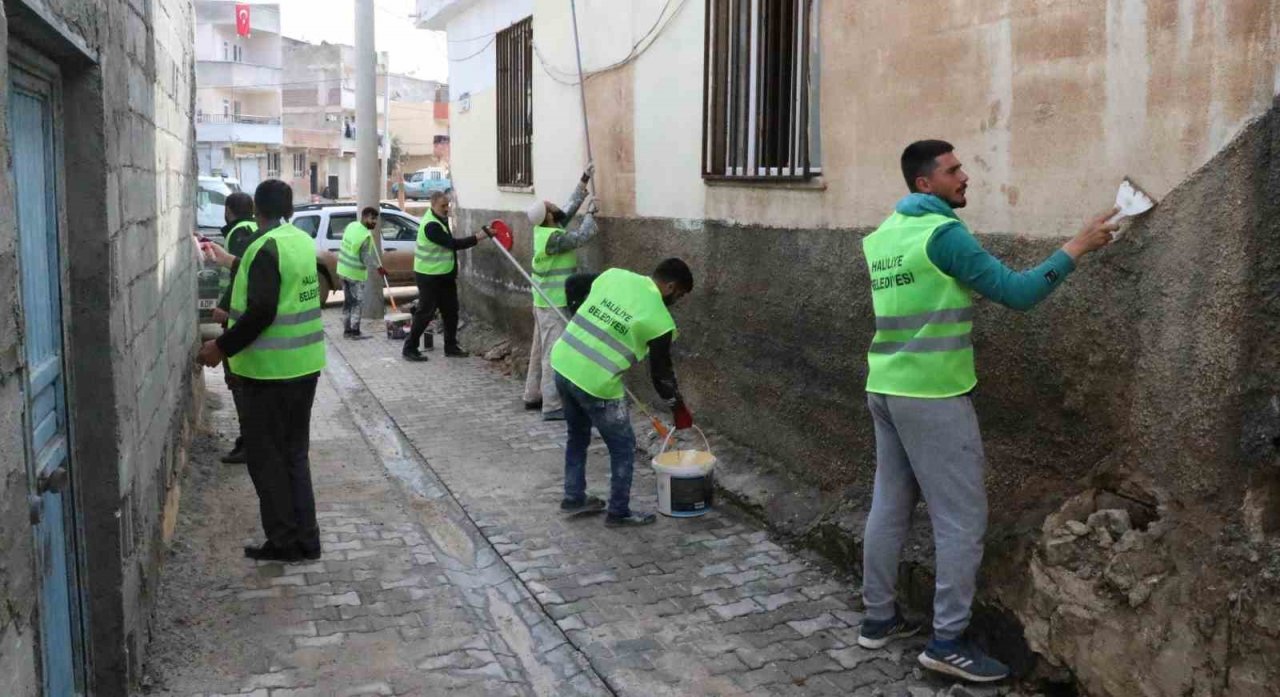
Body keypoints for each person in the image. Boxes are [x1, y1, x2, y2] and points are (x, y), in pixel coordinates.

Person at [856, 140, 1118, 682]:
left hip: (885, 386)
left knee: (890, 504)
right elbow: (1018, 293)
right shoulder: (943, 234)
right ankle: (947, 642)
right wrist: (1078, 245)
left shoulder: (885, 235)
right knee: (962, 520)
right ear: (925, 184)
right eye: (953, 170)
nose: (964, 176)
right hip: (933, 395)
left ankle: (878, 619)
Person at [197, 179, 326, 563]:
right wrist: (230, 261)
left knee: (267, 459)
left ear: (256, 209)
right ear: (288, 208)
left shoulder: (262, 248)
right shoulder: (298, 241)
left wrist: (220, 347)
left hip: (269, 374)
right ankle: (307, 540)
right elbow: (277, 283)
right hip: (305, 367)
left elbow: (262, 310)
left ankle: (284, 542)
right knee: (294, 456)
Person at [550, 260, 696, 528]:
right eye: (679, 295)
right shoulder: (661, 322)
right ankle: (618, 512)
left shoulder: (615, 276)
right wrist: (678, 407)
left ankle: (574, 497)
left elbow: (574, 283)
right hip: (597, 383)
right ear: (670, 287)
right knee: (623, 447)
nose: (677, 301)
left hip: (563, 362)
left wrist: (577, 315)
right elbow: (661, 375)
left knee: (577, 435)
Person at [523, 164, 600, 421]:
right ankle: (552, 405)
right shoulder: (553, 239)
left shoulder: (545, 229)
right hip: (553, 304)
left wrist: (584, 179)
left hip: (542, 301)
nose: (554, 204)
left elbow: (568, 208)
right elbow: (581, 236)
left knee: (538, 350)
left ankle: (533, 394)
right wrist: (591, 214)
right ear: (548, 215)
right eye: (549, 205)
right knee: (552, 353)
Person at [402, 190, 492, 361]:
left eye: (447, 205)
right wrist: (479, 237)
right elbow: (452, 244)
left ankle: (450, 346)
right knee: (425, 313)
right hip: (429, 276)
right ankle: (410, 348)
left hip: (443, 275)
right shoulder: (431, 225)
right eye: (443, 206)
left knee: (451, 311)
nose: (446, 209)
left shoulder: (439, 220)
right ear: (433, 205)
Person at [213, 192, 259, 464]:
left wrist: (224, 306)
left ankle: (250, 441)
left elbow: (242, 273)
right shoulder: (252, 228)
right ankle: (250, 438)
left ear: (229, 210)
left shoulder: (239, 233)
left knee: (238, 380)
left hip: (237, 317)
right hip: (243, 315)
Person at [337, 206, 385, 339]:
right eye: (372, 219)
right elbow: (365, 257)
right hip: (354, 274)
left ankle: (347, 331)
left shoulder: (352, 226)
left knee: (348, 302)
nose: (374, 222)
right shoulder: (365, 235)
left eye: (376, 219)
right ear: (364, 217)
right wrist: (378, 267)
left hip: (342, 270)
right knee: (357, 303)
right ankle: (355, 332)